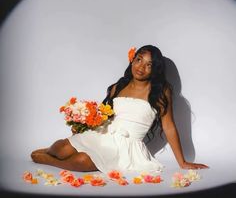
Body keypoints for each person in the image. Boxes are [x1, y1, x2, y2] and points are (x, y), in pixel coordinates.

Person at [31, 45, 208, 173]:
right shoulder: (119, 86)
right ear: (132, 60)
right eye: (139, 60)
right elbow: (102, 115)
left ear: (155, 70)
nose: (141, 67)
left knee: (82, 161)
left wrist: (183, 162)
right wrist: (82, 124)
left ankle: (48, 160)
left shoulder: (161, 91)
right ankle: (51, 152)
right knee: (61, 147)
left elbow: (169, 126)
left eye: (149, 64)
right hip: (102, 133)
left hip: (125, 146)